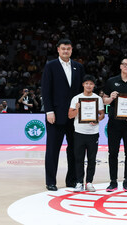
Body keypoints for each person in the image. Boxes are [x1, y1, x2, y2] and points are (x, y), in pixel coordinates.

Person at [42, 38, 85, 191]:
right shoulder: (51, 66)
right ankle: (51, 181)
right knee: (53, 149)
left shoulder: (78, 67)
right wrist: (49, 111)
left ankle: (72, 180)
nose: (66, 51)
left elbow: (83, 92)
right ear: (58, 50)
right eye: (63, 48)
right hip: (55, 115)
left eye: (68, 48)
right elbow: (45, 90)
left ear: (72, 50)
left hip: (73, 116)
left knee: (74, 149)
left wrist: (84, 112)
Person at [103, 56, 127, 192]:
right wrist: (110, 98)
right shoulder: (111, 81)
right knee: (112, 152)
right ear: (120, 66)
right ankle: (113, 181)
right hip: (114, 123)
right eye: (124, 64)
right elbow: (104, 101)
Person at [68, 75, 104, 192]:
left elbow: (102, 114)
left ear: (94, 85)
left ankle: (89, 182)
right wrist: (78, 109)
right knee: (79, 159)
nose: (89, 85)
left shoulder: (97, 98)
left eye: (91, 83)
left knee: (92, 159)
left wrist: (97, 119)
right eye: (86, 83)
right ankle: (79, 182)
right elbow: (70, 115)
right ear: (83, 84)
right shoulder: (76, 99)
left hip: (93, 133)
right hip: (79, 132)